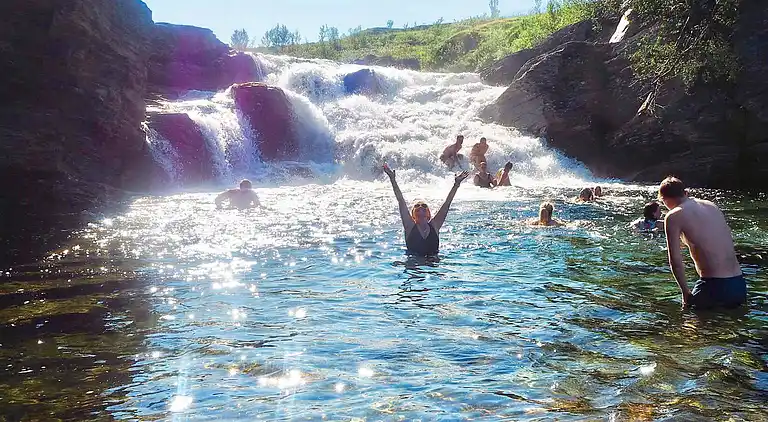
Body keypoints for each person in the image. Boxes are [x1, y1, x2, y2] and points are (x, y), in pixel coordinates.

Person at [659, 176, 747, 309]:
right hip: (739, 283)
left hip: (713, 286)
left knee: (689, 327)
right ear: (685, 193)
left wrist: (685, 293)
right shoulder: (711, 205)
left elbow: (675, 262)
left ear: (664, 199)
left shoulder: (673, 216)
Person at [383, 163, 469, 256]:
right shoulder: (409, 226)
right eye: (417, 206)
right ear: (413, 215)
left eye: (424, 206)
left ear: (428, 213)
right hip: (414, 267)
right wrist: (392, 179)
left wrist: (456, 184)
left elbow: (447, 203)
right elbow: (401, 201)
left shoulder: (435, 225)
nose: (420, 207)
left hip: (433, 267)